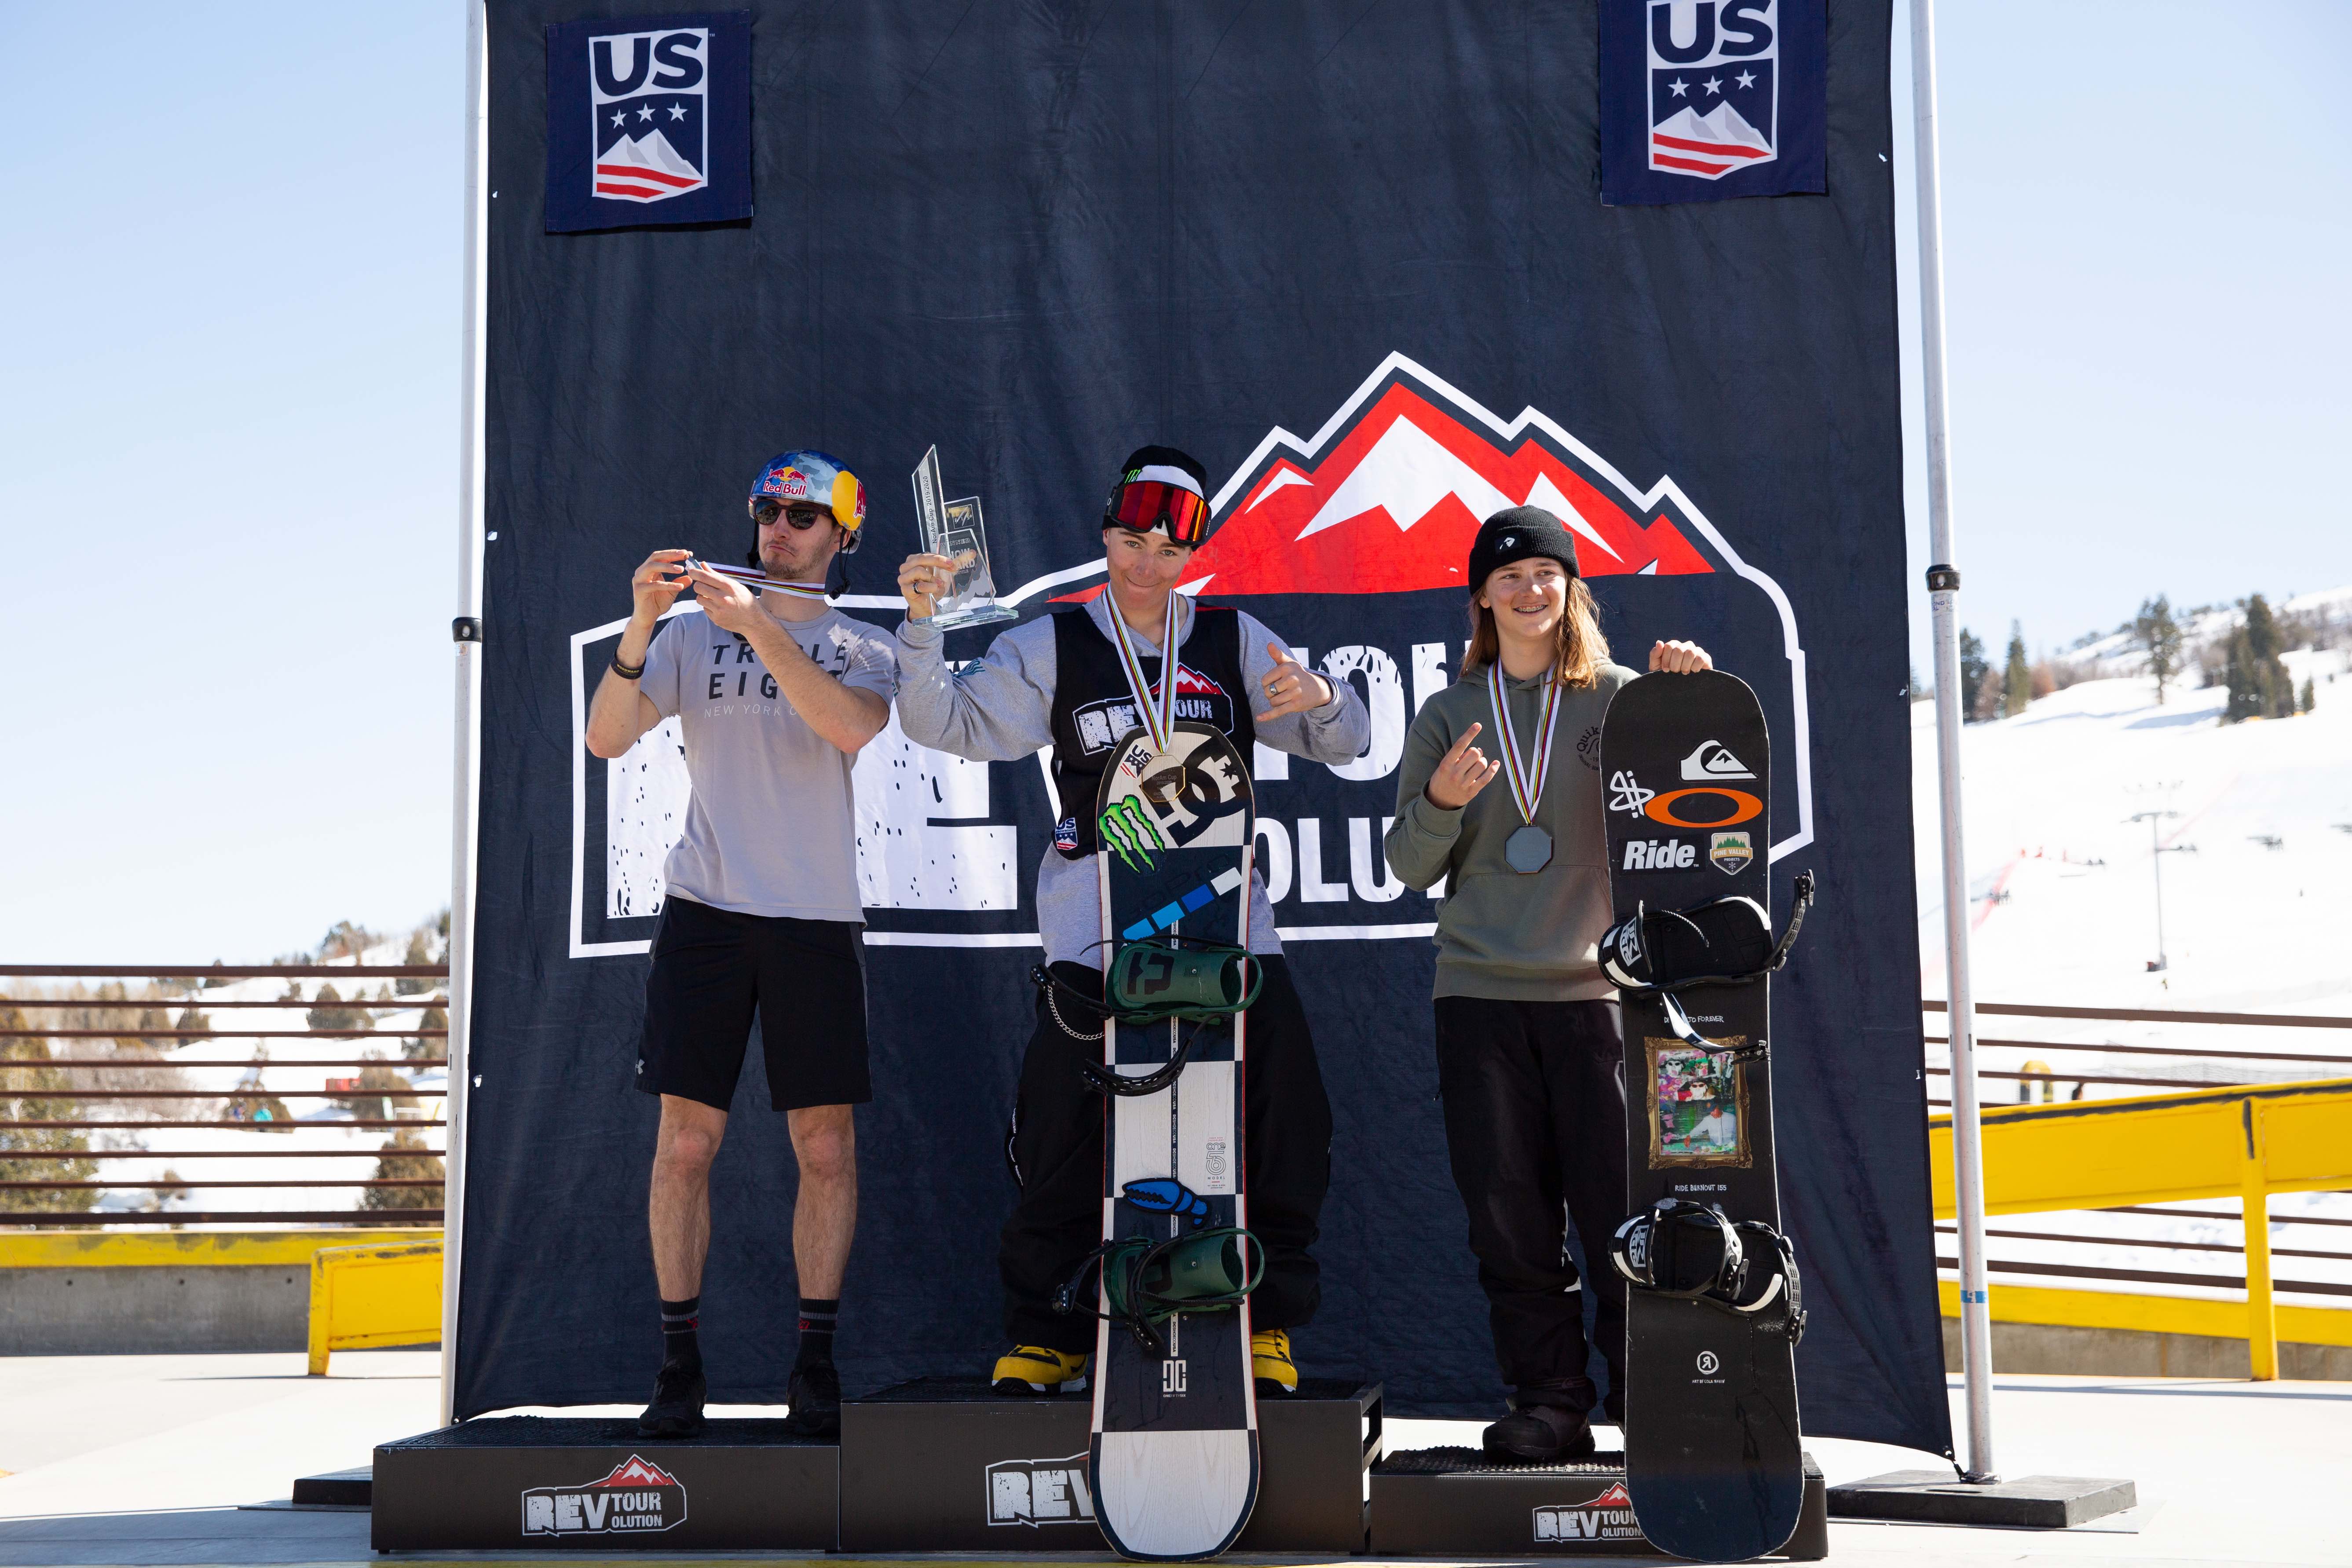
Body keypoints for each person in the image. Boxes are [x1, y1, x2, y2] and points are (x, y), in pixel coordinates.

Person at [893, 445, 1371, 1398]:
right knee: (1066, 1129)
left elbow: (1347, 742)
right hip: (1095, 931)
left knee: (1283, 1118)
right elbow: (946, 727)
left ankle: (1262, 1319)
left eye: (1164, 545)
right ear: (1103, 533)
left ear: (1192, 551)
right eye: (1128, 539)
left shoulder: (1233, 638)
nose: (1144, 561)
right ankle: (1048, 1330)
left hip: (1226, 927)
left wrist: (1324, 697)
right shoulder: (1050, 643)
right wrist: (917, 627)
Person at [1382, 504, 1713, 1462]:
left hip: (1595, 999)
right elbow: (1406, 864)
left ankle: (1645, 1399)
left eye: (1547, 573)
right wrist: (1444, 800)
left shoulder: (1620, 698)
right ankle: (1551, 1403)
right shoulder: (1450, 711)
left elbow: (1690, 815)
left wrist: (1682, 693)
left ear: (1572, 587)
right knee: (1509, 1223)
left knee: (1619, 1218)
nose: (1531, 589)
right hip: (1478, 998)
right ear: (1482, 595)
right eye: (1510, 575)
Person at [583, 449, 897, 1440]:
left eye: (803, 519)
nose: (778, 531)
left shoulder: (858, 642)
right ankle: (679, 1367)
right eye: (768, 512)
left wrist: (758, 623)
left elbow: (847, 729)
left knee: (825, 1148)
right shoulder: (686, 635)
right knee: (683, 1145)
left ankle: (814, 1365)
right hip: (706, 914)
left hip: (813, 916)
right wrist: (640, 624)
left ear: (843, 537)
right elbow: (604, 737)